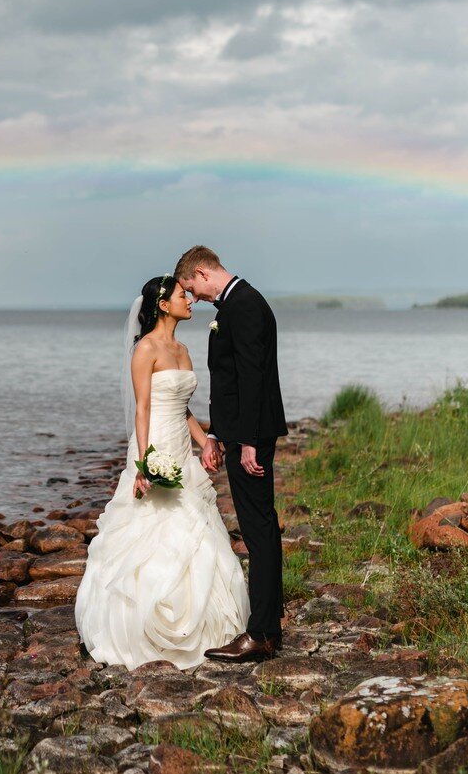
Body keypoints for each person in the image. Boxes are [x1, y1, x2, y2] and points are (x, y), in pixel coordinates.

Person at [74, 274, 248, 670]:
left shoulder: (184, 349)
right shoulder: (145, 349)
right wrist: (144, 463)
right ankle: (141, 628)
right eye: (182, 295)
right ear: (163, 305)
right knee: (149, 530)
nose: (190, 299)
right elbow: (143, 409)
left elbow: (181, 407)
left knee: (196, 528)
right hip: (154, 447)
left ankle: (204, 624)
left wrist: (205, 442)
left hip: (182, 448)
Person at [174, 245, 288, 663]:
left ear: (203, 273)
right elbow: (231, 381)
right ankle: (269, 621)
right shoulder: (235, 305)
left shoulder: (243, 305)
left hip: (251, 437)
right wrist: (218, 433)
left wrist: (250, 442)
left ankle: (260, 634)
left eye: (192, 288)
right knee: (260, 527)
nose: (194, 298)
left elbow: (254, 378)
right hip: (240, 433)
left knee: (258, 530)